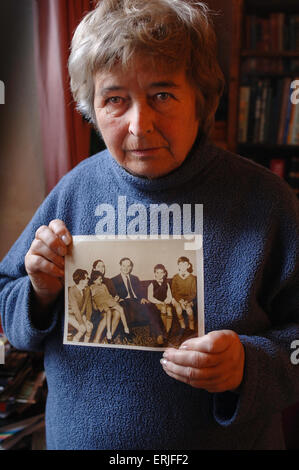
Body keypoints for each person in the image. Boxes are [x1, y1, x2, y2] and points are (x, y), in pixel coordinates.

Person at [0, 0, 298, 450]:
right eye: (115, 100)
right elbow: (8, 304)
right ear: (91, 108)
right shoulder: (74, 190)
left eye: (162, 95)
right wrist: (39, 292)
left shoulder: (268, 201)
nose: (140, 125)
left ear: (200, 100)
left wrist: (248, 366)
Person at [111, 257, 164, 344]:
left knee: (151, 307)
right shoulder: (114, 280)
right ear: (120, 266)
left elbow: (140, 291)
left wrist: (143, 297)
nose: (126, 268)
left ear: (131, 267)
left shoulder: (135, 278)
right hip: (125, 301)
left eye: (128, 266)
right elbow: (113, 294)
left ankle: (158, 334)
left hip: (137, 301)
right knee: (124, 308)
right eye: (124, 266)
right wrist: (117, 298)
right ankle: (126, 334)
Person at [89, 270, 130, 342]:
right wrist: (93, 298)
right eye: (99, 279)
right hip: (101, 302)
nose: (101, 281)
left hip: (108, 300)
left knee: (120, 308)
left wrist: (114, 299)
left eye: (101, 279)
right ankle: (108, 333)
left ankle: (126, 329)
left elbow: (108, 294)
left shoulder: (104, 285)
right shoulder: (92, 287)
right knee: (108, 312)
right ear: (94, 280)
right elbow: (91, 298)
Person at [171, 256, 197, 332]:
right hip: (177, 299)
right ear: (178, 266)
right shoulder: (175, 277)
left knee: (189, 311)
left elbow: (193, 292)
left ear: (188, 266)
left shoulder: (192, 278)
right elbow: (174, 292)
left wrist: (186, 301)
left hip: (188, 299)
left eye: (185, 264)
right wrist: (180, 301)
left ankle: (191, 323)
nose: (183, 266)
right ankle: (182, 323)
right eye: (181, 264)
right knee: (179, 310)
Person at [68, 269, 93, 342]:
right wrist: (81, 323)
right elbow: (75, 309)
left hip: (80, 313)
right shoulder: (72, 290)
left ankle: (86, 345)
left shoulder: (87, 289)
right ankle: (74, 343)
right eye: (86, 278)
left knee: (89, 327)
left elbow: (89, 306)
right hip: (70, 314)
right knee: (83, 329)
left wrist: (88, 319)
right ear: (81, 280)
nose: (88, 280)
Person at [147, 264, 173, 335]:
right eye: (157, 272)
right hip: (156, 303)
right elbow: (150, 297)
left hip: (164, 302)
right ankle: (164, 328)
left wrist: (165, 301)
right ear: (155, 273)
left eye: (161, 272)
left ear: (164, 273)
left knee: (169, 310)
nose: (159, 274)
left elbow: (169, 296)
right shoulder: (152, 284)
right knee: (164, 309)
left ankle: (168, 330)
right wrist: (159, 302)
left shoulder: (166, 283)